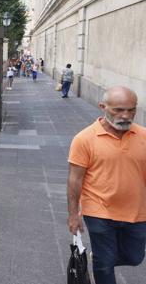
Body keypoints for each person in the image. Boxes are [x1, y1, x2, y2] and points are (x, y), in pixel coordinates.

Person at [67, 86, 146, 284]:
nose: (126, 116)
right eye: (118, 110)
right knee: (104, 265)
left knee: (135, 257)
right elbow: (75, 179)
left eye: (131, 110)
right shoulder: (84, 139)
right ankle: (103, 258)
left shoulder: (144, 136)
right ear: (102, 107)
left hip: (137, 212)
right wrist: (73, 215)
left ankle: (102, 255)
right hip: (99, 211)